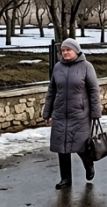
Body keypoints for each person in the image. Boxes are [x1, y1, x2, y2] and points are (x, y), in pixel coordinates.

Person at [42, 39, 101, 190]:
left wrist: (95, 113)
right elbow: (52, 91)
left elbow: (94, 91)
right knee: (62, 147)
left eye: (69, 49)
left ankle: (89, 165)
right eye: (63, 50)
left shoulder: (86, 67)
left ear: (76, 50)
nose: (65, 52)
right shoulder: (57, 67)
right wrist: (47, 112)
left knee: (81, 146)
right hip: (60, 114)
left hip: (80, 114)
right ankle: (65, 179)